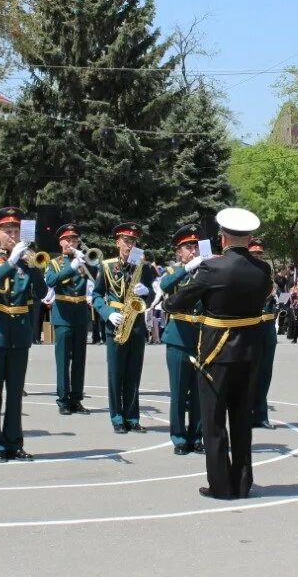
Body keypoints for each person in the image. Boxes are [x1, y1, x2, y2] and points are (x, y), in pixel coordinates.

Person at [163, 207, 271, 500]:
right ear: (249, 238)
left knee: (213, 421)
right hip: (250, 351)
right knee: (241, 420)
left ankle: (222, 486)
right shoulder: (264, 270)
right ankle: (242, 481)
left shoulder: (213, 268)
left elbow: (175, 303)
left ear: (223, 238)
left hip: (216, 352)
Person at [0, 206, 44, 461]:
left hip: (20, 334)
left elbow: (41, 291)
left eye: (16, 230)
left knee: (15, 393)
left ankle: (14, 442)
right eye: (8, 230)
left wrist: (32, 265)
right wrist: (12, 261)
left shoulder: (28, 262)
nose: (13, 235)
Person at [92, 222, 157, 435]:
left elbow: (153, 294)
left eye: (133, 241)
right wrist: (108, 313)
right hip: (116, 322)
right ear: (117, 242)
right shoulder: (107, 266)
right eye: (126, 241)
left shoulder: (143, 267)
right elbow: (96, 295)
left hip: (136, 322)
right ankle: (117, 417)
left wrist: (147, 291)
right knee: (116, 373)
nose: (130, 245)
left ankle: (132, 417)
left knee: (133, 373)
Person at [155, 224, 206, 455]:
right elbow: (165, 285)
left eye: (195, 246)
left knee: (199, 391)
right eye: (188, 247)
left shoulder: (207, 271)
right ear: (179, 252)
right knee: (178, 390)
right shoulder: (173, 271)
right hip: (178, 336)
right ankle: (178, 437)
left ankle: (197, 436)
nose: (193, 250)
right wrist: (187, 268)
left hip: (203, 336)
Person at [45, 224, 92, 416]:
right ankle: (63, 400)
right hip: (63, 314)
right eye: (68, 240)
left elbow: (97, 278)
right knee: (63, 360)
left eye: (75, 240)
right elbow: (50, 281)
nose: (72, 243)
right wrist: (72, 268)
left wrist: (87, 263)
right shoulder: (54, 263)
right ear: (61, 242)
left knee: (80, 359)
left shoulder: (84, 261)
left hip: (80, 312)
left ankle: (76, 399)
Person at [247, 236, 278, 430]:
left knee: (265, 374)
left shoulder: (266, 273)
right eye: (254, 254)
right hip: (251, 326)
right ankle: (246, 413)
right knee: (249, 373)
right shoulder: (245, 273)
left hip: (267, 326)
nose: (258, 256)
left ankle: (261, 415)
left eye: (260, 253)